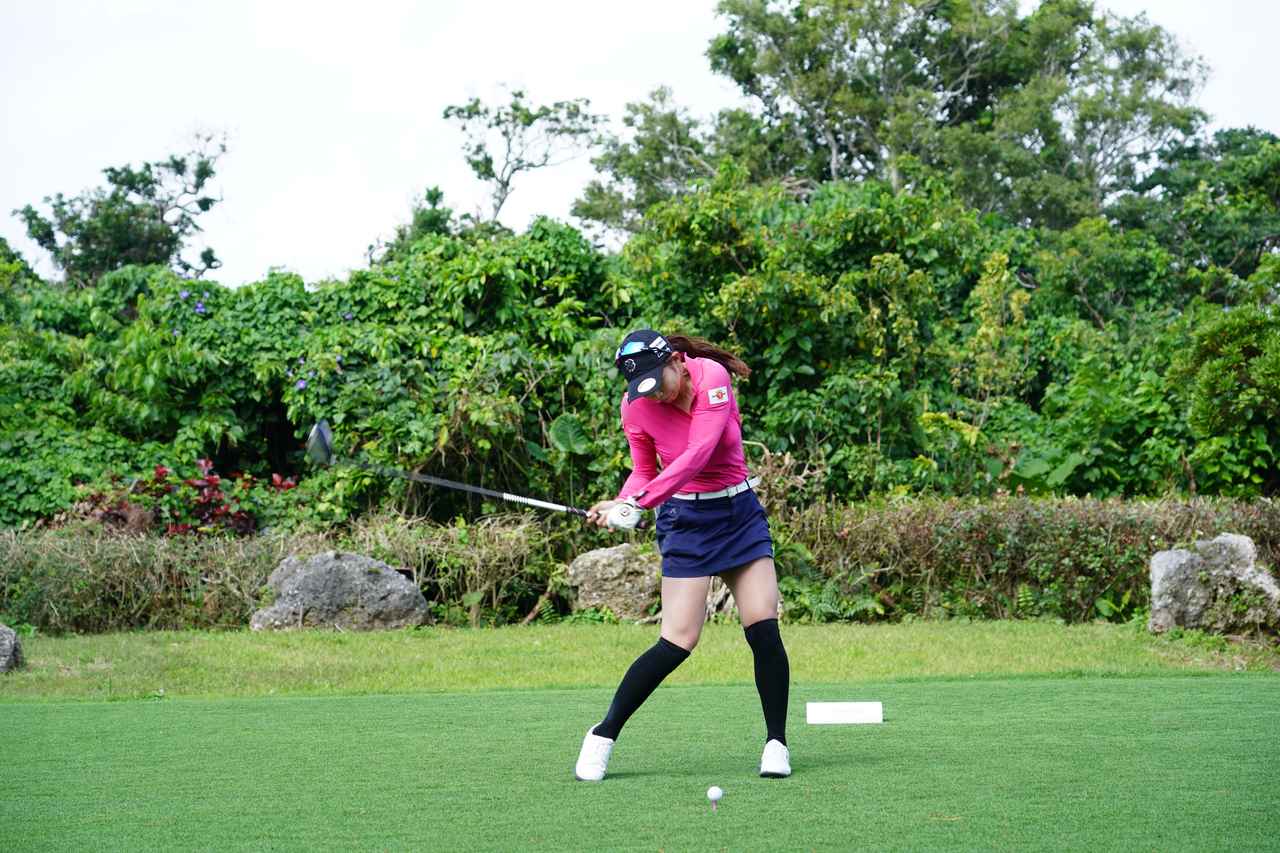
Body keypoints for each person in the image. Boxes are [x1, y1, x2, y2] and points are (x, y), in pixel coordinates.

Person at [574, 329, 791, 782]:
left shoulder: (711, 377)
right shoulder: (636, 407)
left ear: (676, 360)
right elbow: (643, 471)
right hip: (686, 524)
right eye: (645, 390)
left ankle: (776, 744)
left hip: (738, 515)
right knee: (677, 641)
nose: (658, 396)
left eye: (662, 382)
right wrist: (621, 503)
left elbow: (698, 453)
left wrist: (639, 503)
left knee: (762, 625)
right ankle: (602, 734)